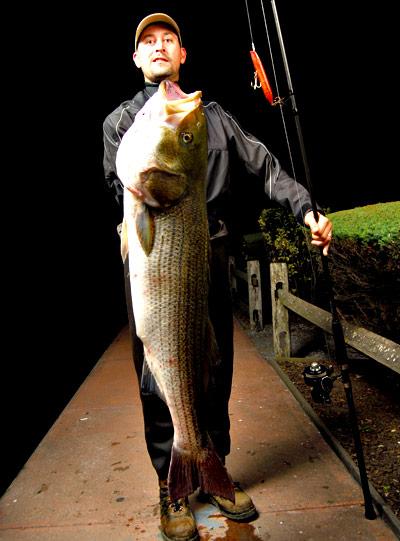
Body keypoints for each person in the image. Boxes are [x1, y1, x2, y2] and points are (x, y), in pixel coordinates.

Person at [103, 12, 333, 541]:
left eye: (170, 40)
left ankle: (214, 465)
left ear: (183, 55)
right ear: (136, 59)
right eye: (148, 42)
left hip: (209, 259)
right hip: (155, 259)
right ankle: (172, 483)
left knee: (216, 366)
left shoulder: (211, 116)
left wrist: (306, 211)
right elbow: (125, 193)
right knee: (159, 376)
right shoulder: (120, 123)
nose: (160, 47)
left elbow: (265, 167)